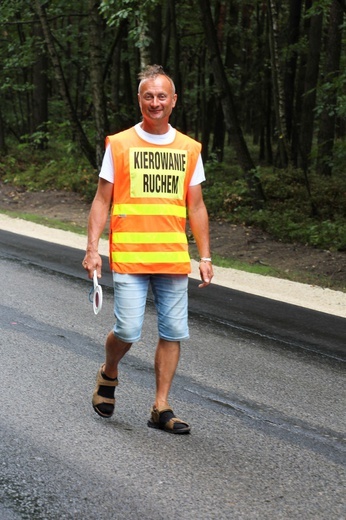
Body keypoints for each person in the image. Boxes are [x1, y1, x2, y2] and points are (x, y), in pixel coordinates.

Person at [82, 64, 213, 434]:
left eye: (162, 96)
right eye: (148, 96)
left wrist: (205, 256)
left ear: (174, 101)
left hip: (172, 257)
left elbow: (197, 207)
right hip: (130, 255)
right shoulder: (121, 144)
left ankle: (161, 407)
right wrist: (93, 249)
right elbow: (101, 200)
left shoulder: (189, 148)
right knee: (128, 330)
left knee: (173, 332)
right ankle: (109, 372)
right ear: (139, 99)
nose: (155, 102)